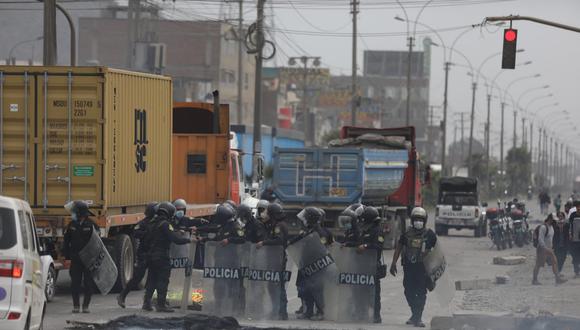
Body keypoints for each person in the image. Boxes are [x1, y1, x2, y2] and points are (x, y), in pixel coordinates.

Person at [390, 207, 437, 328]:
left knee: (421, 292)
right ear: (412, 220)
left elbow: (437, 252)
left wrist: (434, 270)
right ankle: (415, 314)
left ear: (425, 221)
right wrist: (393, 263)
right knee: (408, 291)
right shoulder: (406, 233)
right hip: (409, 267)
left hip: (422, 269)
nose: (418, 222)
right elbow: (399, 247)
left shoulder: (430, 234)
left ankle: (418, 317)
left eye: (421, 219)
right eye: (416, 219)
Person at [143, 202, 192, 312]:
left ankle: (146, 303)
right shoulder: (165, 224)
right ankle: (161, 305)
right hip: (162, 256)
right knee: (162, 280)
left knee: (151, 280)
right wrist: (189, 240)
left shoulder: (152, 223)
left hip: (151, 255)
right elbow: (175, 240)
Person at [294, 207, 333, 321]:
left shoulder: (320, 233)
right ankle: (308, 311)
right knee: (307, 290)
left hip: (317, 267)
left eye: (305, 218)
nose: (304, 220)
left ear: (310, 219)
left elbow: (321, 249)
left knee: (317, 289)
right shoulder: (309, 230)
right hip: (307, 265)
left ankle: (321, 312)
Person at [117, 202, 158, 308]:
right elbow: (136, 233)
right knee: (137, 277)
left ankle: (147, 301)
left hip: (154, 253)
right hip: (144, 253)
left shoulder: (159, 223)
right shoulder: (143, 223)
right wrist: (147, 233)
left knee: (153, 278)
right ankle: (122, 295)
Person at [62, 201, 99, 314]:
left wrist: (95, 259)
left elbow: (97, 244)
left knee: (88, 283)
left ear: (79, 212)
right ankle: (76, 306)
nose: (72, 214)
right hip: (75, 259)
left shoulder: (92, 225)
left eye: (74, 211)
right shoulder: (72, 225)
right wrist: (67, 258)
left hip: (88, 260)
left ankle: (86, 306)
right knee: (75, 283)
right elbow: (66, 242)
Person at [256, 203, 289, 320]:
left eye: (267, 212)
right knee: (272, 286)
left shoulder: (279, 226)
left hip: (277, 260)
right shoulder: (274, 225)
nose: (265, 214)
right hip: (273, 259)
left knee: (277, 286)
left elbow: (279, 240)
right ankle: (276, 310)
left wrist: (264, 243)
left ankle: (281, 312)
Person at [357, 206, 385, 324]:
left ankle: (376, 315)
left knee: (374, 292)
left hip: (373, 266)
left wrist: (366, 247)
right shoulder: (366, 230)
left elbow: (379, 246)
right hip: (363, 265)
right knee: (362, 291)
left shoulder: (377, 230)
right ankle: (362, 313)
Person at [533, 213, 567, 285]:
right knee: (538, 264)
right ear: (550, 219)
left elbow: (550, 239)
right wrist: (545, 248)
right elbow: (540, 240)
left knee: (554, 262)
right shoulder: (543, 227)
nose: (555, 222)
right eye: (554, 220)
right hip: (542, 249)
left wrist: (551, 248)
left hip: (549, 249)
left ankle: (557, 279)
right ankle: (534, 280)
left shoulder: (551, 227)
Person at [569, 200, 580, 277]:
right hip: (574, 239)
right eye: (577, 207)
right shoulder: (572, 215)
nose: (579, 208)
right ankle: (576, 272)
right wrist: (570, 234)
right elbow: (570, 226)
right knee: (575, 256)